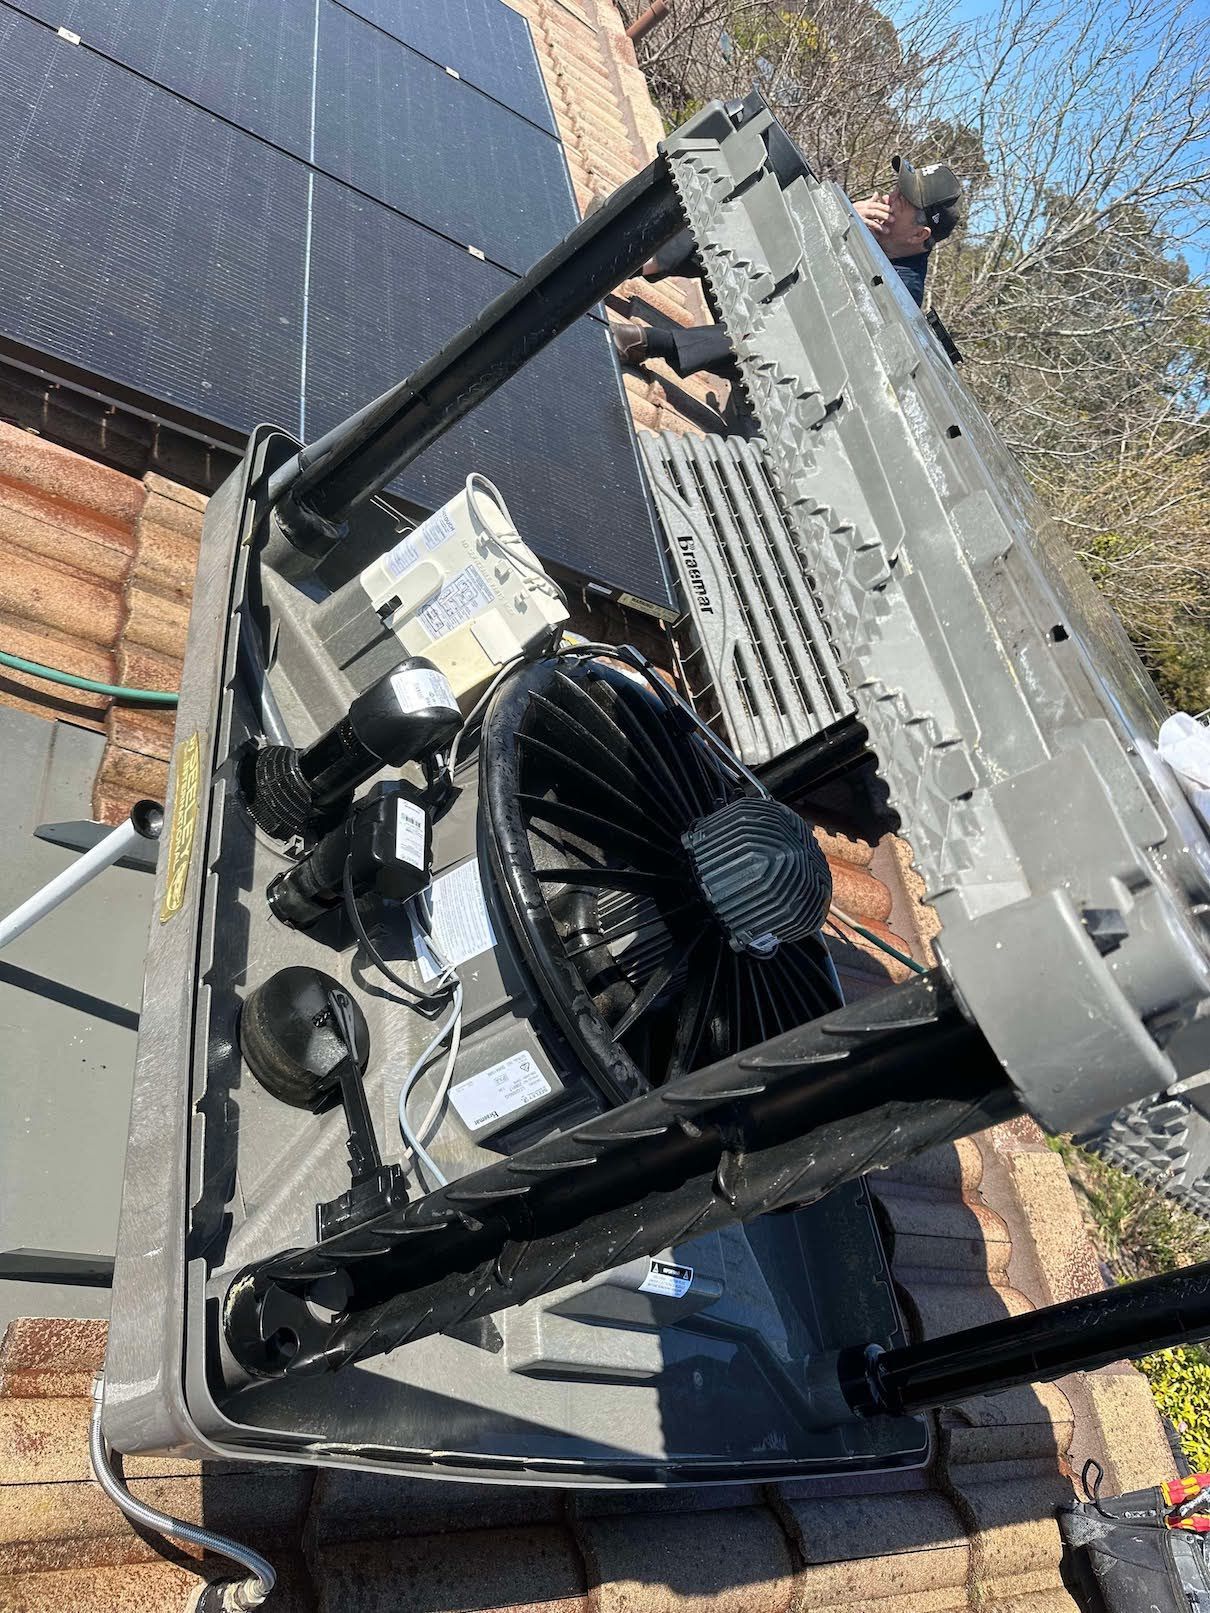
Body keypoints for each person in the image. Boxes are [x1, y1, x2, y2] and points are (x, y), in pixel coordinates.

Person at [611, 154, 963, 379]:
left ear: (920, 234)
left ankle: (646, 343)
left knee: (784, 337)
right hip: (758, 301)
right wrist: (837, 216)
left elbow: (822, 328)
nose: (888, 199)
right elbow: (782, 238)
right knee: (734, 219)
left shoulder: (903, 294)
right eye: (895, 190)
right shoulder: (864, 224)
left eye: (901, 200)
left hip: (780, 368)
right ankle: (628, 262)